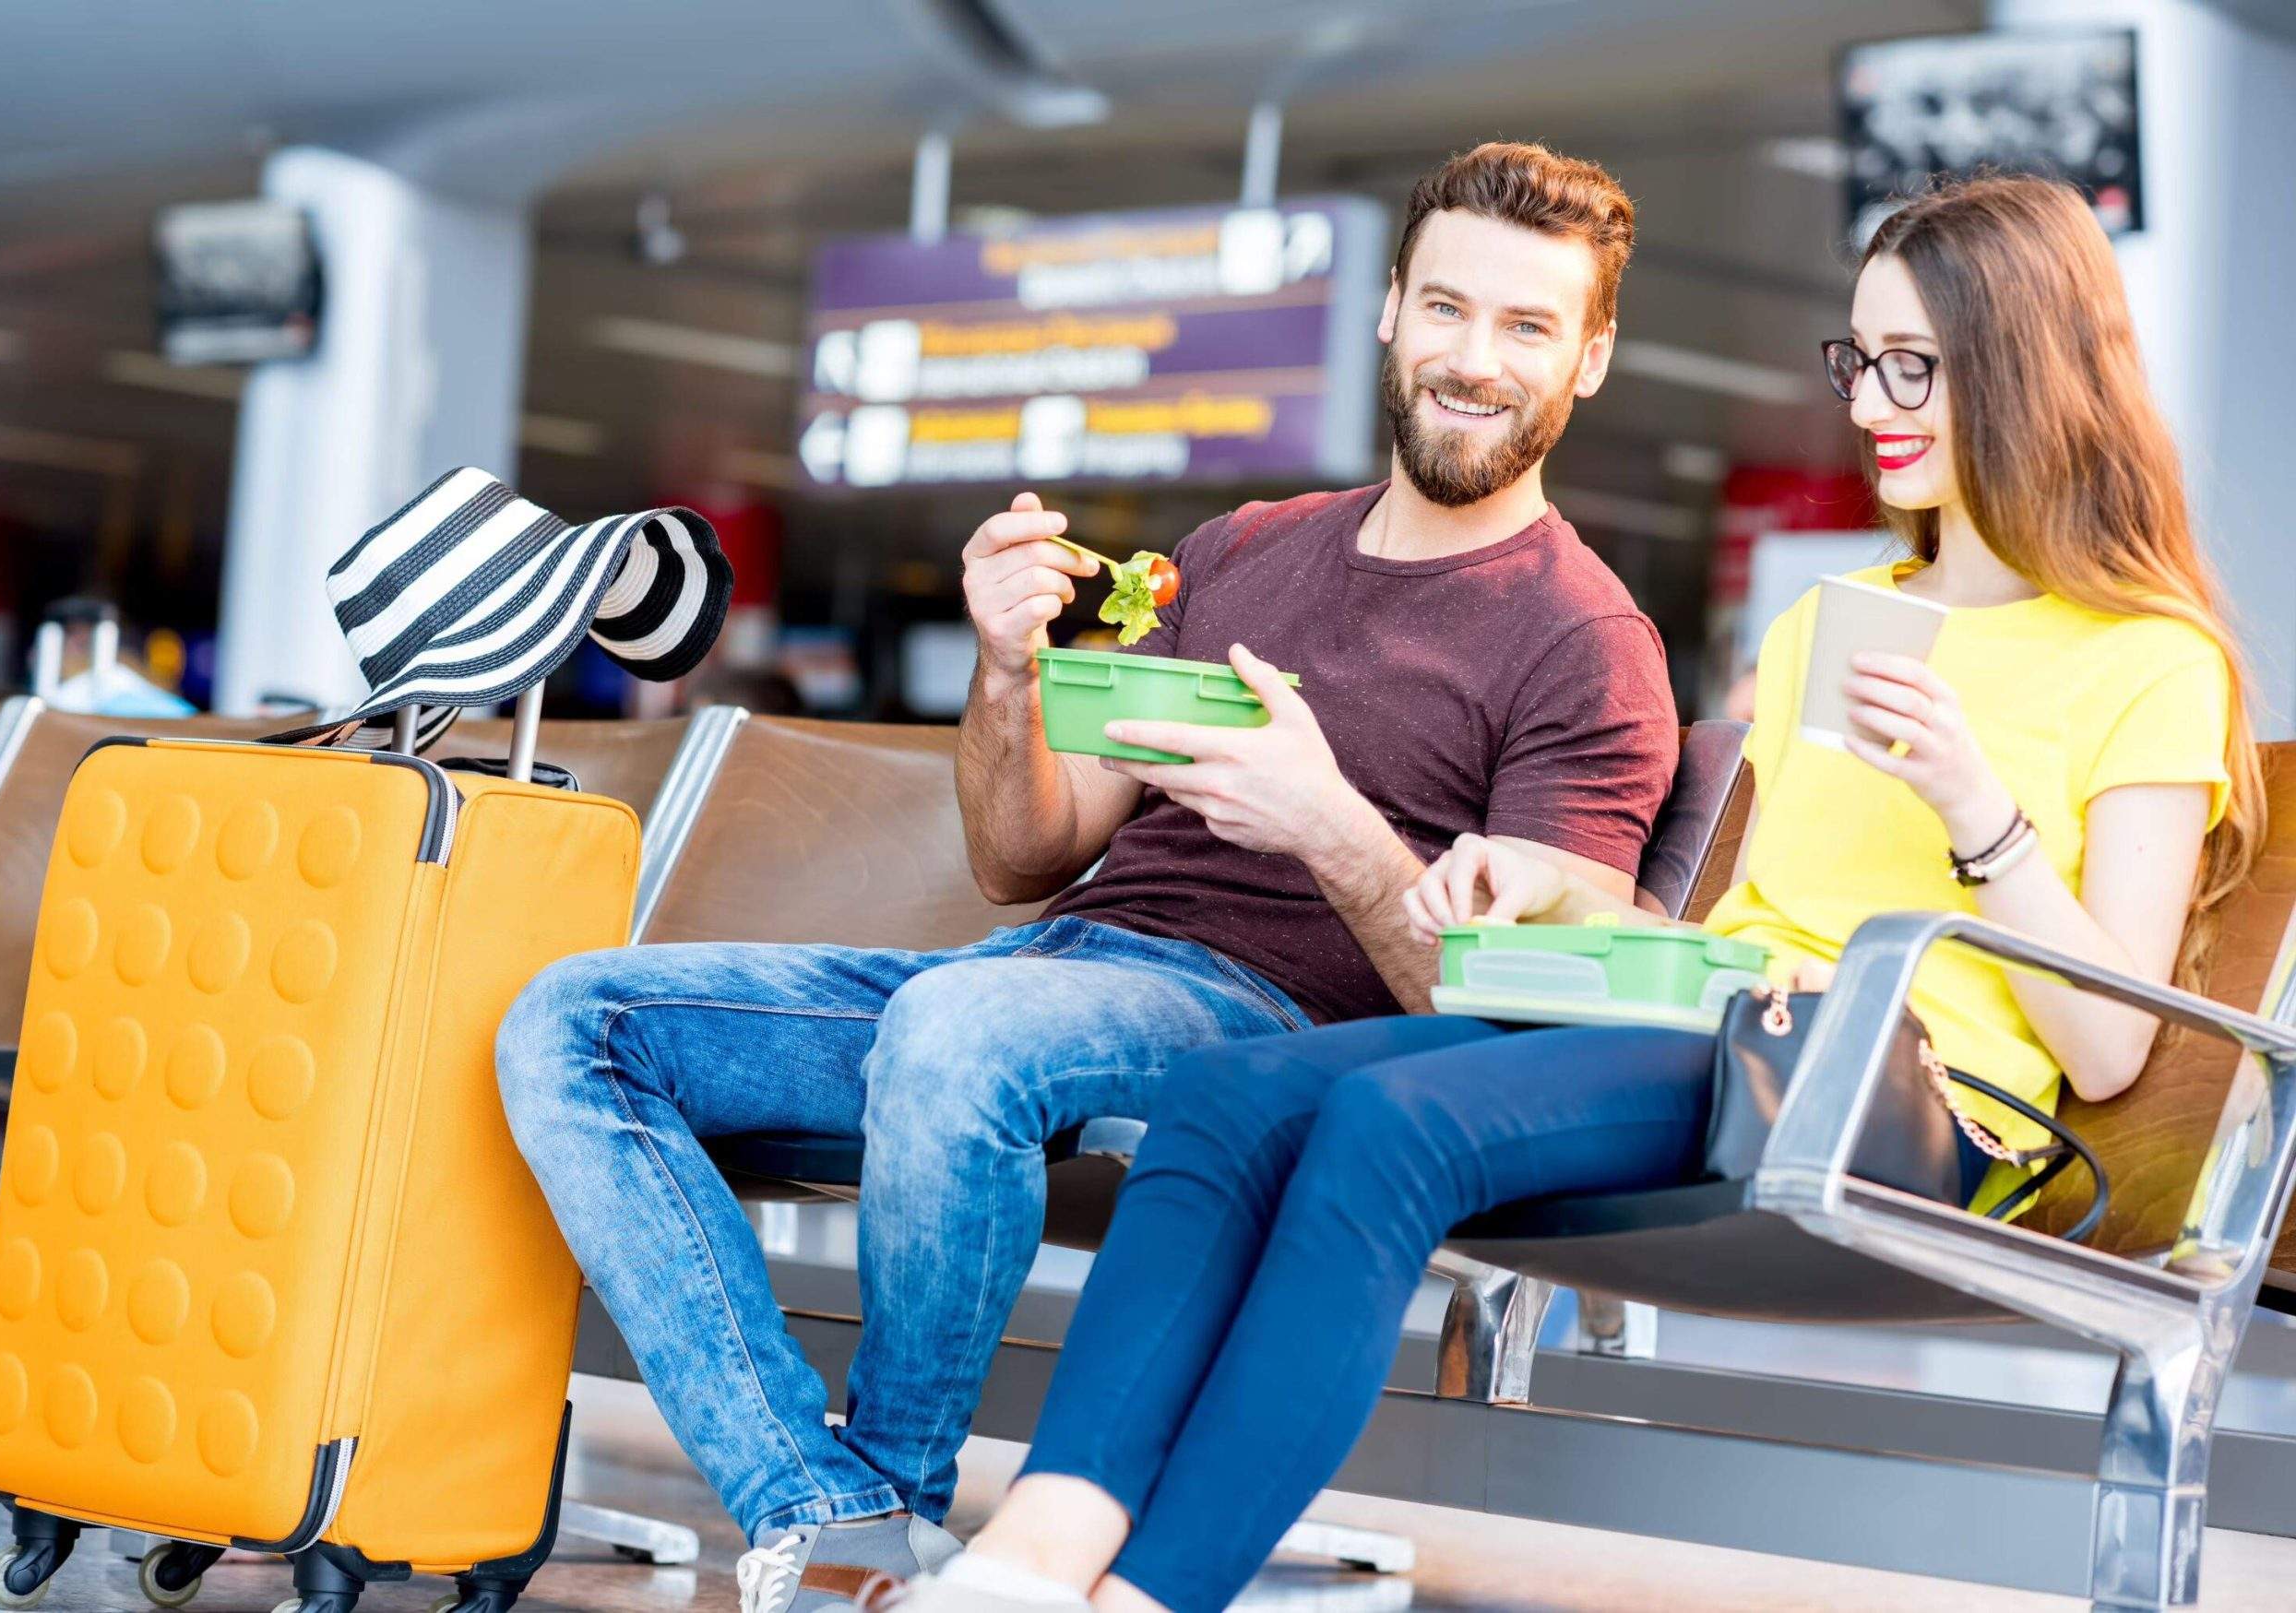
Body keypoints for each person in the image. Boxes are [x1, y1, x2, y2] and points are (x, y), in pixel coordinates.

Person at [883, 172, 2263, 1613]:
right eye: (1860, 359)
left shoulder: (2149, 660)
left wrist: (1980, 811)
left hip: (1910, 1101)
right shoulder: (1832, 623)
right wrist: (1550, 889)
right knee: (1237, 1093)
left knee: (1384, 1125)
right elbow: (1739, 933)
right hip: (1731, 1032)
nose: (1870, 404)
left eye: (1913, 363)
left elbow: (2109, 1043)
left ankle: (1147, 1594)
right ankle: (1030, 1554)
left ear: (2025, 365)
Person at [494, 141, 1679, 1611]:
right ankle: (833, 1505)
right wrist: (1009, 670)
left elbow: (1524, 1016)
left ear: (1593, 356)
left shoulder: (1587, 643)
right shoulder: (1241, 550)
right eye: (1447, 309)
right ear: (1388, 312)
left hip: (1274, 1040)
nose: (1474, 360)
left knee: (957, 1035)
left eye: (1527, 327)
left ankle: (894, 1497)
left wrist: (1331, 821)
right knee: (572, 1020)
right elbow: (1023, 853)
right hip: (1044, 974)